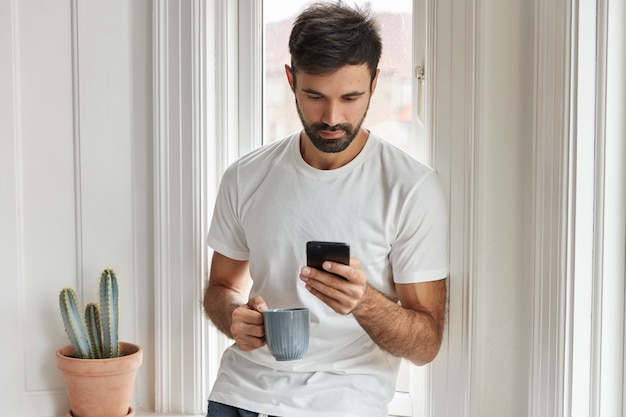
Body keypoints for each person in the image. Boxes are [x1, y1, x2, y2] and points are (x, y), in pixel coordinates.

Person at [203, 2, 448, 416]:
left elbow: (426, 344)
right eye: (314, 96)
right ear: (290, 80)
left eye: (351, 97)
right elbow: (220, 289)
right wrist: (234, 318)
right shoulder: (245, 176)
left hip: (342, 403)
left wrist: (364, 301)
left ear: (374, 83)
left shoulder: (411, 188)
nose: (332, 117)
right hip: (238, 396)